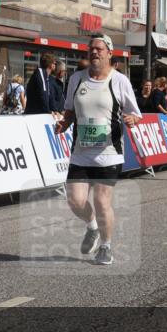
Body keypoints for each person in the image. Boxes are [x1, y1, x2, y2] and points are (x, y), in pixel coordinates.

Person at [55, 33, 141, 266]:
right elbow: (70, 110)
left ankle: (106, 247)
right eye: (91, 48)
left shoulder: (119, 80)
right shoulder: (77, 79)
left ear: (109, 53)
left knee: (102, 201)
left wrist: (132, 120)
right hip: (81, 152)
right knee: (75, 200)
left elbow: (136, 114)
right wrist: (64, 124)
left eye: (99, 49)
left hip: (109, 152)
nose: (94, 52)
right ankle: (92, 226)